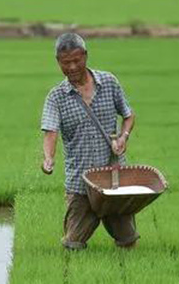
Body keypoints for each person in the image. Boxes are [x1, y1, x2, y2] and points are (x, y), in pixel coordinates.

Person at [41, 32, 138, 250]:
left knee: (128, 241)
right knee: (72, 244)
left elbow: (129, 115)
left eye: (77, 60)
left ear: (85, 55)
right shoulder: (56, 97)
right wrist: (48, 158)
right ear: (58, 62)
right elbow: (50, 131)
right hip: (80, 182)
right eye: (66, 63)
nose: (72, 67)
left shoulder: (109, 83)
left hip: (113, 178)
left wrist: (123, 137)